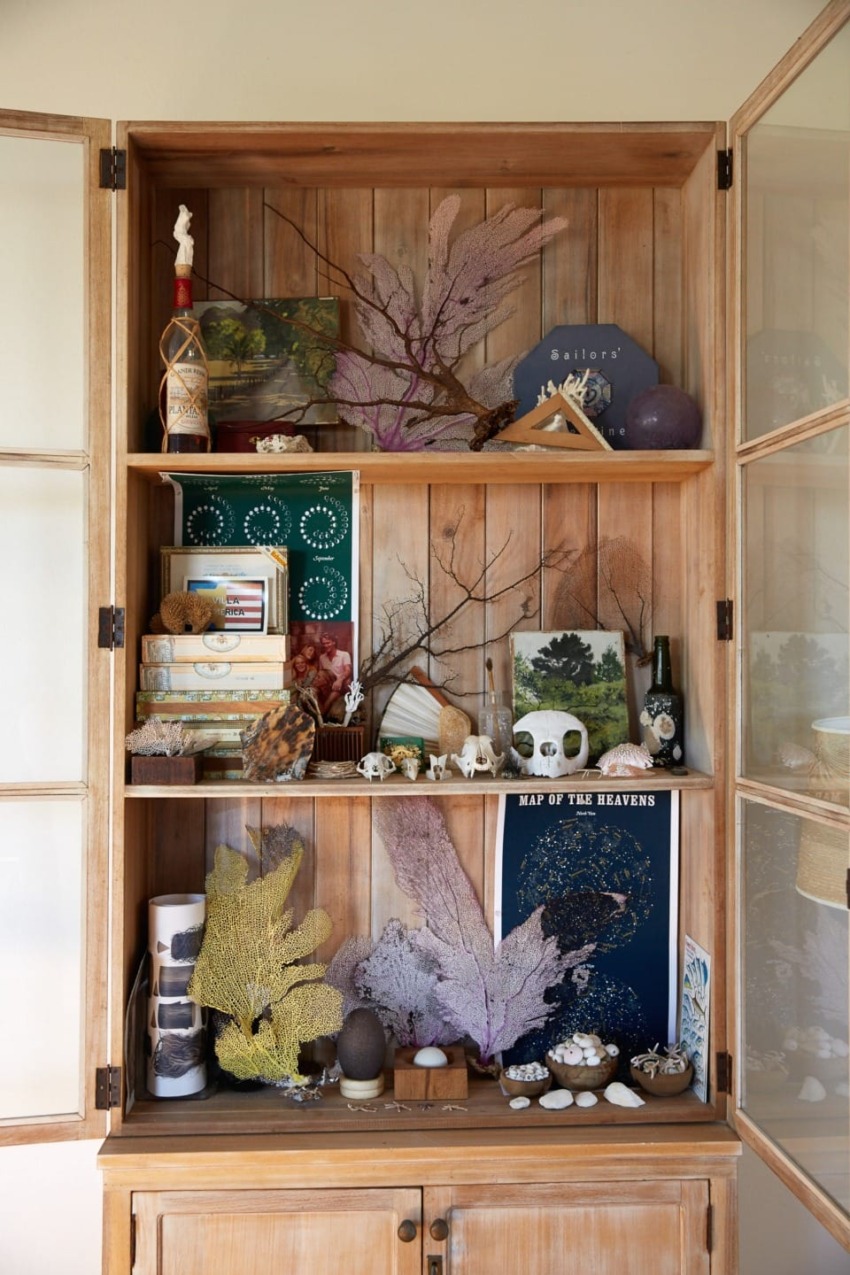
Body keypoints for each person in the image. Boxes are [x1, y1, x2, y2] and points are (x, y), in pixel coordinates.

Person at [318, 631, 353, 712]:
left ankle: (321, 718)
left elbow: (348, 670)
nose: (325, 645)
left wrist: (340, 680)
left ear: (334, 642)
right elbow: (321, 673)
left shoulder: (344, 655)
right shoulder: (322, 658)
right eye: (323, 643)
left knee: (329, 701)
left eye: (328, 643)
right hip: (327, 686)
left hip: (340, 685)